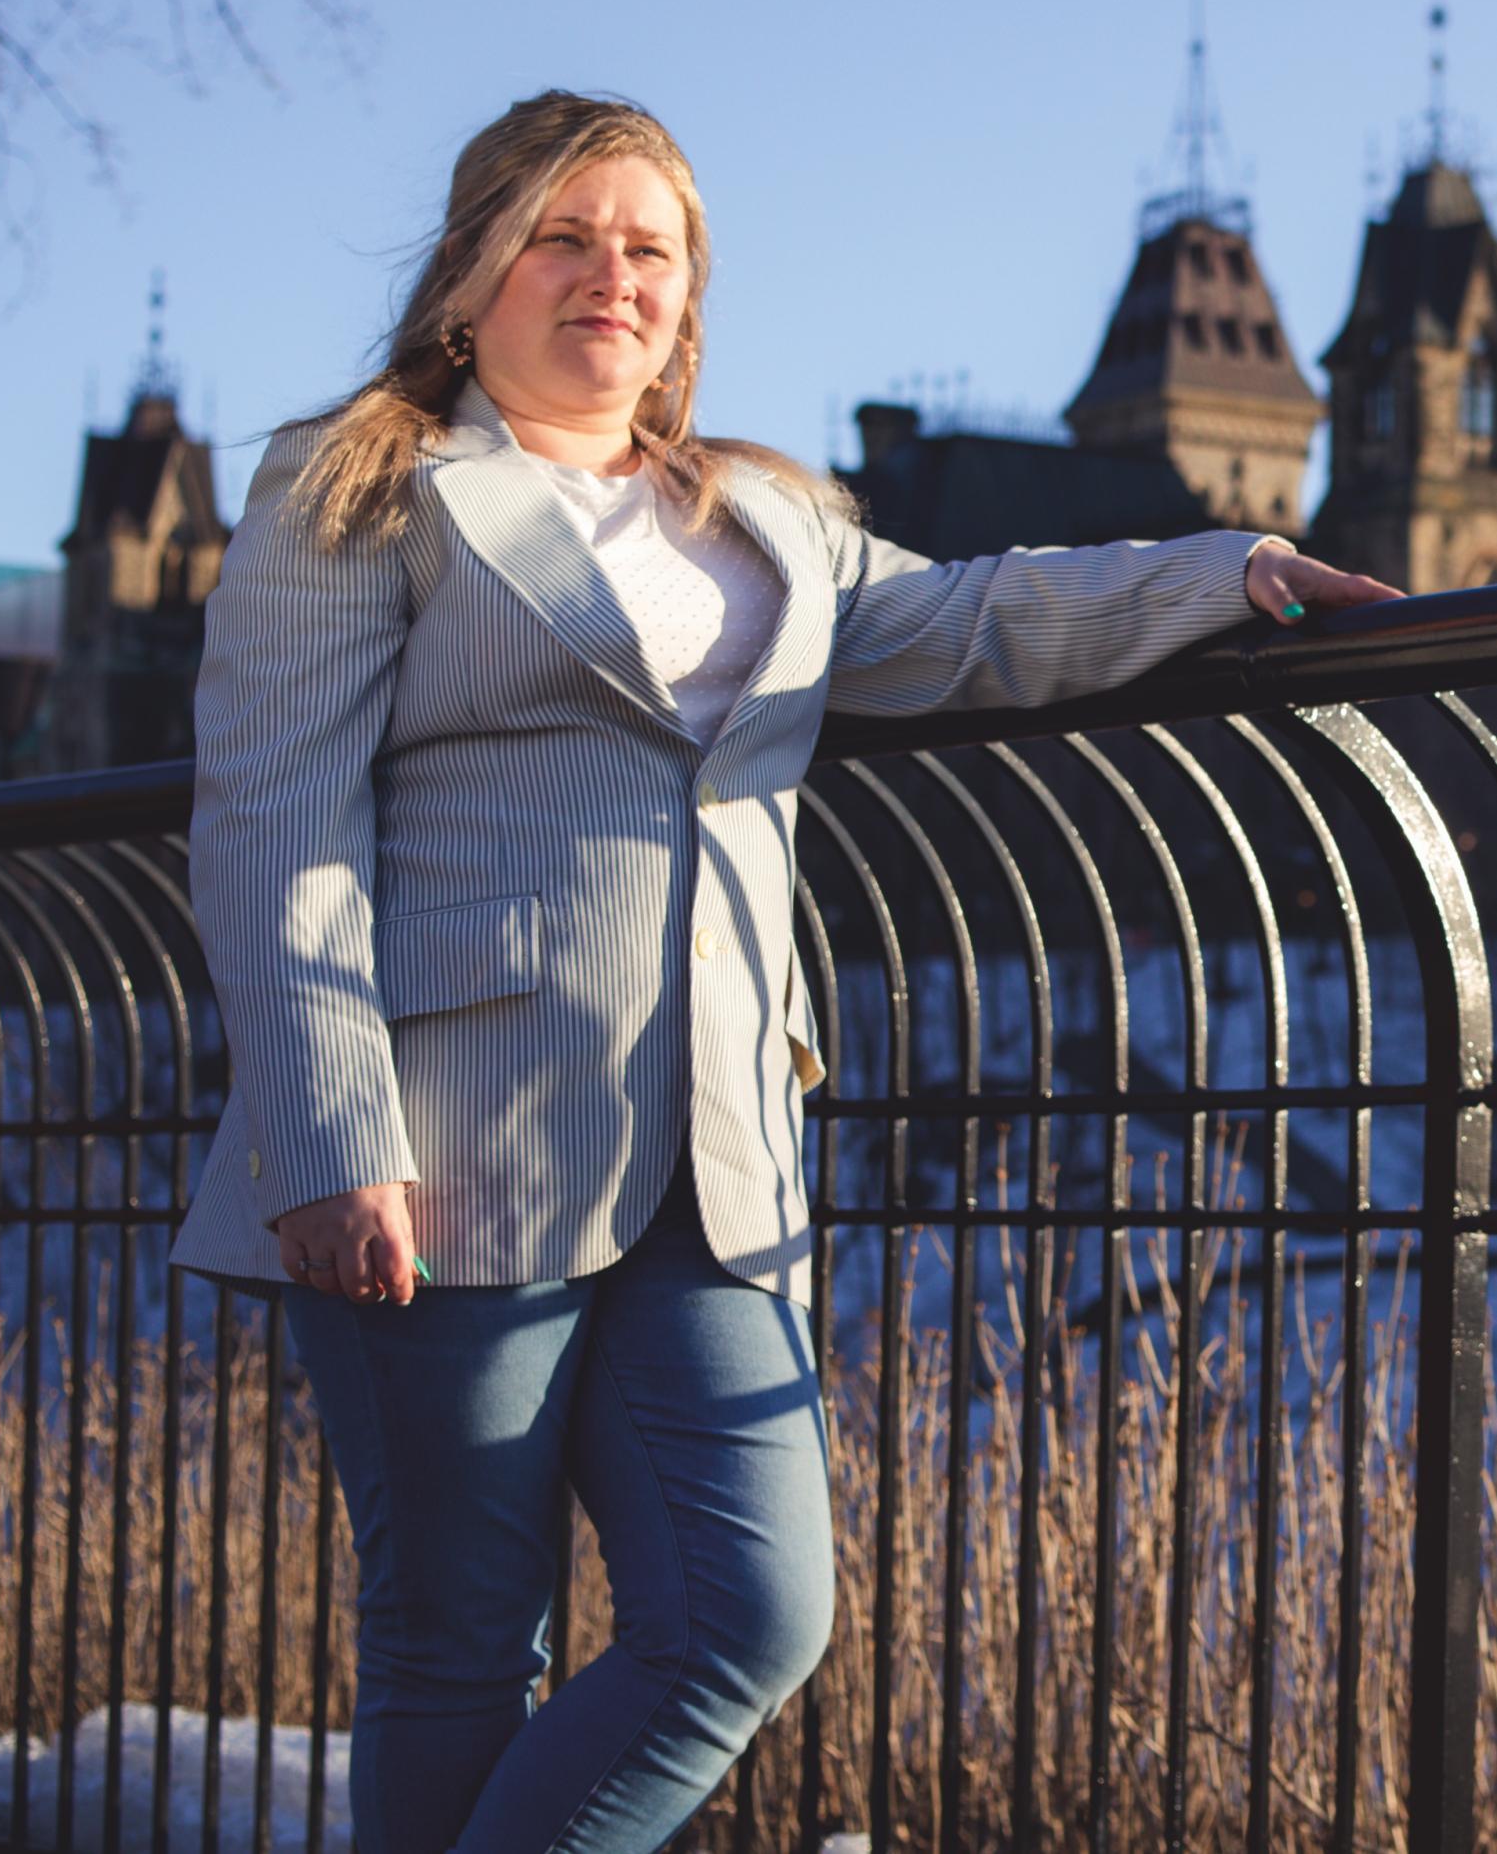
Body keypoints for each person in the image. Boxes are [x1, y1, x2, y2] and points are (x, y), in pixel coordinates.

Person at [168, 89, 1399, 1854]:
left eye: (648, 249)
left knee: (747, 1616)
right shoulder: (363, 482)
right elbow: (274, 820)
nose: (611, 276)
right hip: (442, 1139)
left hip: (716, 1147)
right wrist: (324, 1133)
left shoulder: (757, 513)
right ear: (471, 273)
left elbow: (969, 616)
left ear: (687, 295)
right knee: (458, 1639)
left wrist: (1230, 572)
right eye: (563, 237)